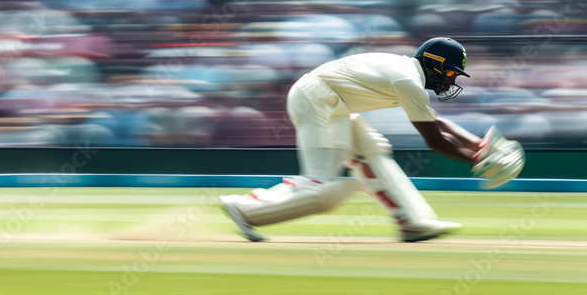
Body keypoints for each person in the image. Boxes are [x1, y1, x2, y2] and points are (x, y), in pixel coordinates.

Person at [220, 37, 525, 242]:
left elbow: (437, 122)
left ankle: (413, 222)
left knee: (373, 150)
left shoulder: (409, 74)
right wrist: (477, 160)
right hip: (317, 99)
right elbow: (435, 140)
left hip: (331, 101)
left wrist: (479, 145)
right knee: (320, 188)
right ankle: (244, 208)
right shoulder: (408, 80)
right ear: (433, 63)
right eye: (449, 73)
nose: (451, 80)